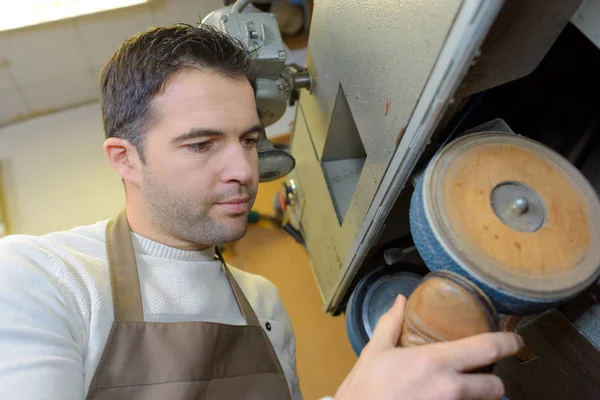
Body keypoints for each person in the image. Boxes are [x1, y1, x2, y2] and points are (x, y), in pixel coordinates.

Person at [0, 24, 523, 400]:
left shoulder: (262, 302)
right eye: (202, 144)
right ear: (126, 159)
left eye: (250, 140)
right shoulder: (44, 278)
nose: (243, 170)